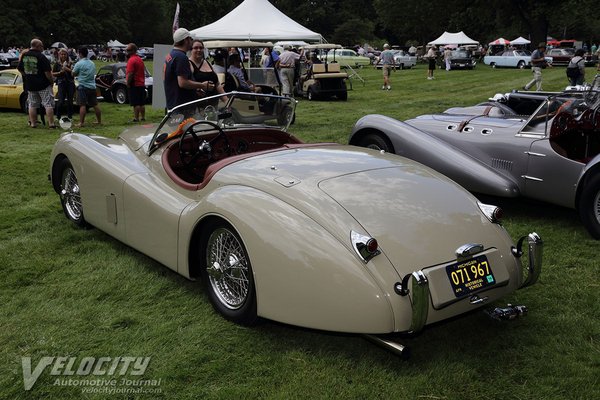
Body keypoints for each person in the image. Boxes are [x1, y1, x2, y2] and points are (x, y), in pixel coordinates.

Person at [163, 27, 211, 110]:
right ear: (186, 40)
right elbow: (182, 82)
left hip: (173, 104)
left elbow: (173, 80)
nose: (192, 41)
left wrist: (194, 90)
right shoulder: (181, 57)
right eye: (191, 39)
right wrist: (202, 85)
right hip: (181, 108)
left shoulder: (170, 55)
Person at [17, 38, 56, 128]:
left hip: (30, 85)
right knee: (48, 104)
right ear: (38, 46)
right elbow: (47, 73)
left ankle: (33, 123)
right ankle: (51, 124)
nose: (43, 47)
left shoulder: (24, 55)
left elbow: (19, 68)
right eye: (42, 46)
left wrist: (27, 76)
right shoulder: (41, 57)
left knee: (32, 104)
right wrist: (51, 81)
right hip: (43, 85)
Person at [72, 47, 101, 127]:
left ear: (80, 53)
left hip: (82, 86)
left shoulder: (79, 63)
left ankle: (81, 123)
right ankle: (99, 121)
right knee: (95, 104)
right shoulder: (92, 63)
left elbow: (73, 74)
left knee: (82, 105)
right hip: (92, 86)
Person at [51, 48, 75, 120]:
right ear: (59, 55)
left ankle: (70, 116)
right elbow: (52, 73)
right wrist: (59, 72)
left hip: (70, 83)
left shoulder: (70, 63)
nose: (63, 56)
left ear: (67, 55)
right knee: (61, 100)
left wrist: (67, 69)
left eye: (65, 54)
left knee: (70, 100)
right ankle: (58, 116)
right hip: (61, 83)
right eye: (62, 54)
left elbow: (74, 73)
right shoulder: (57, 64)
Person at [125, 43, 146, 122]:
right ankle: (143, 117)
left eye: (129, 50)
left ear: (133, 50)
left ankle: (136, 118)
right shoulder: (139, 59)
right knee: (141, 103)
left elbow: (130, 73)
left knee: (135, 103)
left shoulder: (131, 60)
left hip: (134, 83)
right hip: (141, 83)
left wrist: (128, 83)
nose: (127, 52)